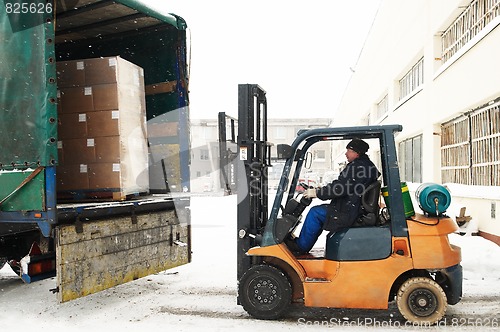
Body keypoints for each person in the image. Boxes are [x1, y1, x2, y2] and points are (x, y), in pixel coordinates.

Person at [286, 138, 381, 254]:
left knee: (315, 213)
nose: (346, 153)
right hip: (351, 207)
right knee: (318, 212)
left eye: (349, 150)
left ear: (357, 152)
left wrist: (318, 193)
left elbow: (341, 188)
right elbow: (342, 185)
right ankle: (302, 244)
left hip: (349, 211)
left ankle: (301, 247)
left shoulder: (359, 167)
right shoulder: (362, 166)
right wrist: (321, 189)